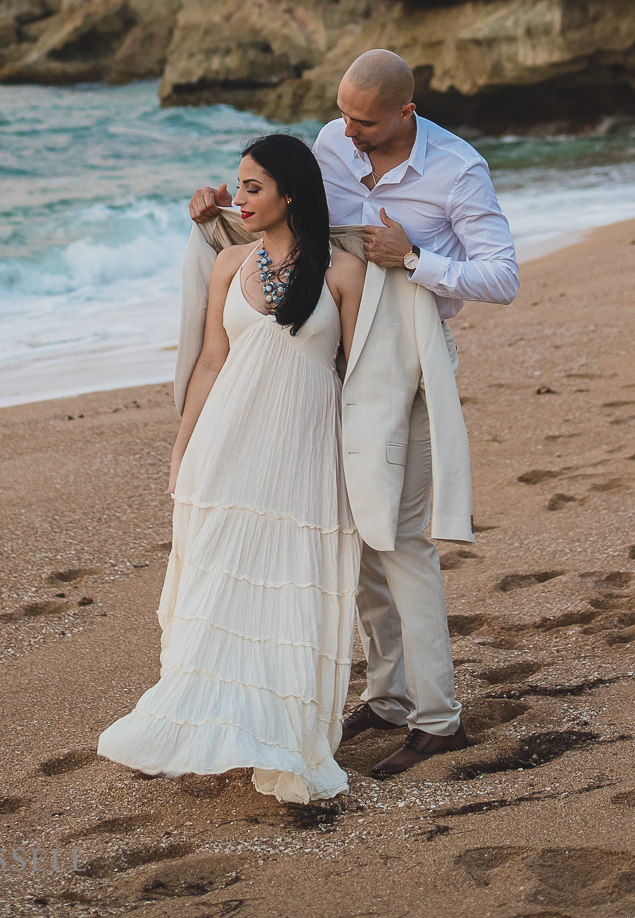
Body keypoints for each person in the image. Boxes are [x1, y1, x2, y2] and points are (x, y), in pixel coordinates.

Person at [189, 49, 518, 778]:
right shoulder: (334, 142)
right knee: (356, 543)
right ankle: (390, 695)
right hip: (327, 364)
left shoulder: (457, 170)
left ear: (407, 111)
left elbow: (503, 276)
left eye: (363, 120)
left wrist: (416, 256)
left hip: (403, 370)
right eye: (341, 114)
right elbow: (293, 231)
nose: (345, 130)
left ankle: (439, 721)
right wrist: (226, 211)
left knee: (399, 542)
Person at [98, 133, 366, 804]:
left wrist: (366, 466)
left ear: (291, 195)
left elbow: (358, 375)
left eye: (254, 187)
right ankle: (207, 725)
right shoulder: (230, 266)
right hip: (226, 445)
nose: (240, 197)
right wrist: (182, 447)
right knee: (215, 587)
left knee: (289, 587)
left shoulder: (341, 273)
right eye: (239, 186)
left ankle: (277, 734)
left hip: (304, 455)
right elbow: (212, 361)